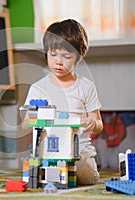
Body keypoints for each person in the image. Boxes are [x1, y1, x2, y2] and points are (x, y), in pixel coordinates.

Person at [22, 19, 103, 185]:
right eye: (53, 55)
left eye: (66, 56)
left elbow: (99, 124)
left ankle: (89, 168)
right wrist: (36, 116)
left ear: (79, 57)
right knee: (37, 176)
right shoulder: (38, 88)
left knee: (85, 177)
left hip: (79, 148)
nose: (58, 61)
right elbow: (25, 125)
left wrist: (92, 123)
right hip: (47, 149)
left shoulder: (85, 86)